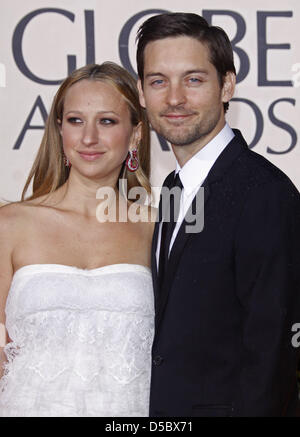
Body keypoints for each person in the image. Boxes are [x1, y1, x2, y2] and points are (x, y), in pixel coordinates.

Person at [136, 12, 300, 416]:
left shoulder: (265, 194)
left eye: (193, 79)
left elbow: (272, 356)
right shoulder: (173, 189)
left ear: (227, 85)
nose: (174, 98)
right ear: (141, 93)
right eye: (158, 81)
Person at [0, 62, 155, 417]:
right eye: (75, 120)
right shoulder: (10, 224)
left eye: (107, 121)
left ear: (135, 134)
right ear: (59, 130)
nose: (88, 138)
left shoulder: (156, 228)